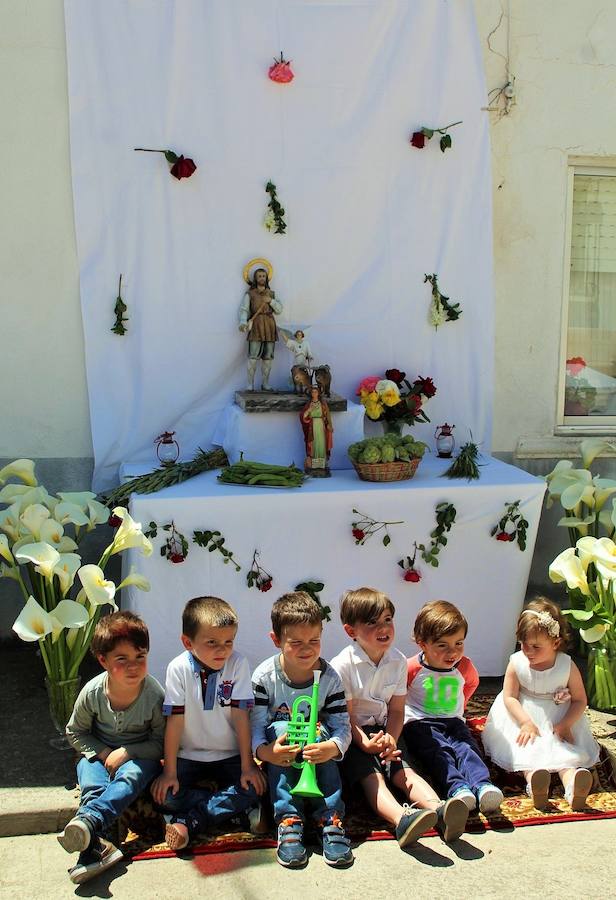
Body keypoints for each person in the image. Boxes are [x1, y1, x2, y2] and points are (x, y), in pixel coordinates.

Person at [330, 588, 469, 845]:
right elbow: (345, 718)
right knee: (373, 778)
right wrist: (365, 743)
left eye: (387, 620)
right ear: (351, 632)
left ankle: (440, 810)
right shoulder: (342, 666)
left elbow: (396, 710)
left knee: (403, 772)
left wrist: (392, 738)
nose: (383, 628)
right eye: (372, 622)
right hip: (353, 734)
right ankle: (401, 820)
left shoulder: (398, 661)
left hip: (385, 730)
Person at [150, 596, 266, 850]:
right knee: (164, 797)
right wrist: (169, 771)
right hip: (188, 756)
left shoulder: (238, 664)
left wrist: (248, 765)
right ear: (187, 642)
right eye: (212, 642)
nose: (222, 650)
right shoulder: (178, 668)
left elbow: (240, 717)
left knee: (254, 786)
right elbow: (175, 722)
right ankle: (235, 810)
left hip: (229, 755)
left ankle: (190, 820)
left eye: (228, 642)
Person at [59, 612, 164, 885]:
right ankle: (94, 847)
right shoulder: (93, 693)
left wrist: (128, 752)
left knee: (130, 777)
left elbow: (161, 742)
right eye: (122, 659)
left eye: (140, 656)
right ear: (103, 660)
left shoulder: (153, 695)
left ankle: (89, 826)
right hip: (99, 754)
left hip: (139, 756)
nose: (133, 666)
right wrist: (104, 753)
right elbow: (75, 731)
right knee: (92, 783)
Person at [251, 591, 353, 869]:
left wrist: (333, 747)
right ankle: (288, 818)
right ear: (276, 640)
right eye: (295, 642)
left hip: (316, 751)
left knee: (320, 734)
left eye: (314, 641)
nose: (307, 649)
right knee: (284, 726)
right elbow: (256, 725)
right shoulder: (264, 677)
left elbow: (343, 727)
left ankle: (329, 816)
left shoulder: (330, 679)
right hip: (281, 752)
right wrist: (265, 752)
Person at [481, 598, 600, 810]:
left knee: (565, 754)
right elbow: (509, 696)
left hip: (558, 716)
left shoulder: (566, 665)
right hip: (523, 712)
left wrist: (565, 724)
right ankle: (535, 781)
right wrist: (525, 721)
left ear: (555, 643)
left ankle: (573, 786)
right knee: (527, 749)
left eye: (536, 646)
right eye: (524, 644)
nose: (528, 651)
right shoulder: (517, 662)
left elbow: (580, 699)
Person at [403, 600, 504, 815]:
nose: (453, 652)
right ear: (422, 644)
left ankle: (483, 785)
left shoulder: (464, 666)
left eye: (459, 643)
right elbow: (397, 693)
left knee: (467, 747)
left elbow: (471, 683)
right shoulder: (412, 667)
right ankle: (457, 788)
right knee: (439, 751)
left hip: (453, 720)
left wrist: (462, 705)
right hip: (421, 722)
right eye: (443, 645)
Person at [239, 266, 283, 391]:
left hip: (269, 325)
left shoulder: (272, 294)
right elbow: (244, 309)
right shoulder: (250, 294)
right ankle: (249, 384)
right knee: (253, 357)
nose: (262, 278)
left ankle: (265, 383)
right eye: (259, 276)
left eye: (264, 276)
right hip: (256, 326)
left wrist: (271, 301)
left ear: (267, 278)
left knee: (268, 357)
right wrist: (243, 322)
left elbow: (279, 310)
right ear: (255, 278)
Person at [300, 385, 333, 476]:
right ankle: (313, 465)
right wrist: (309, 410)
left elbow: (327, 416)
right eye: (312, 392)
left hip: (321, 425)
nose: (314, 393)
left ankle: (322, 465)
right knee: (313, 444)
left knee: (321, 444)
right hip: (312, 426)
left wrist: (329, 425)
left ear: (318, 393)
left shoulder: (322, 404)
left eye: (315, 392)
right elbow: (303, 416)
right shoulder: (309, 404)